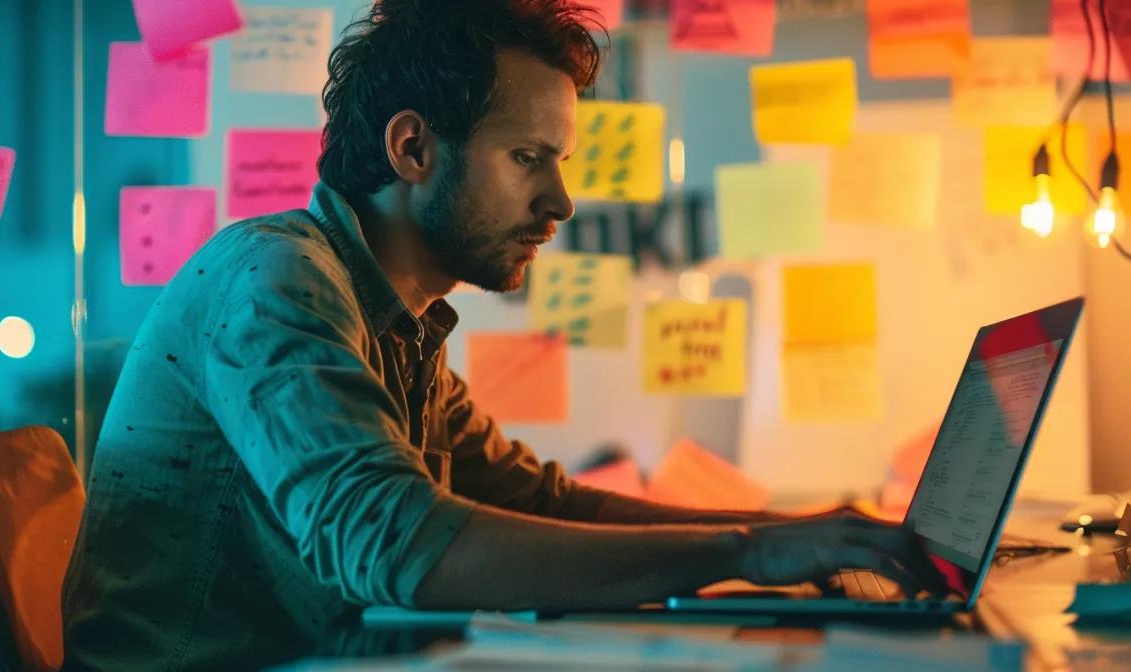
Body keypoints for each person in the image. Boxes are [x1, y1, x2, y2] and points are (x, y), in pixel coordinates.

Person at [61, 0, 943, 667]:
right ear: (412, 150)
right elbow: (396, 545)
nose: (560, 203)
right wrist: (750, 552)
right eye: (529, 159)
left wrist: (793, 533)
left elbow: (543, 503)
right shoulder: (276, 282)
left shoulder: (393, 321)